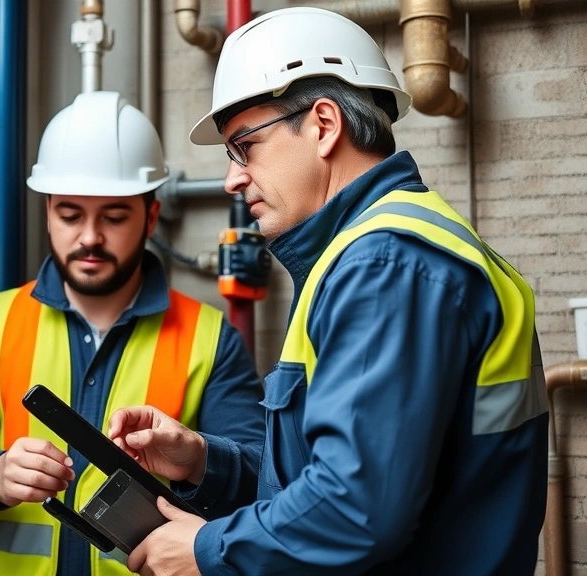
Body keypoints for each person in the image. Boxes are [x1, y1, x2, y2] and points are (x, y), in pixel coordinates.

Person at [108, 7, 548, 576]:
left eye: (245, 146)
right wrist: (202, 461)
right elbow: (324, 473)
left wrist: (206, 551)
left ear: (323, 124)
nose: (232, 178)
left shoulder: (385, 264)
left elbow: (356, 507)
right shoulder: (375, 251)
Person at [0, 90, 265, 576]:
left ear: (151, 217)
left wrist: (198, 460)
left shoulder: (211, 338)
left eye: (115, 216)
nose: (91, 237)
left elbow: (258, 478)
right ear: (48, 210)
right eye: (71, 214)